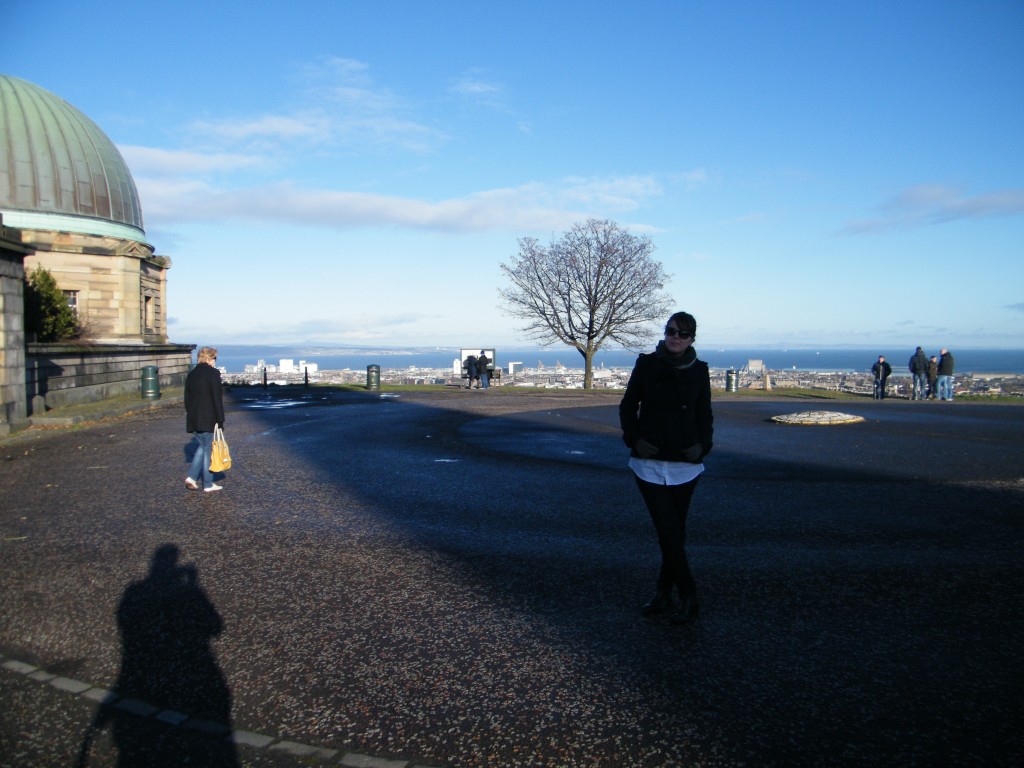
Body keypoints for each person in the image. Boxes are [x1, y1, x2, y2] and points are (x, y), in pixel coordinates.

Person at [619, 311, 713, 625]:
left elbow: (704, 414)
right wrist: (634, 438)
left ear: (692, 339)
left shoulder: (700, 370)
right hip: (649, 461)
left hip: (685, 462)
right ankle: (689, 595)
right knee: (668, 530)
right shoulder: (647, 363)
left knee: (674, 532)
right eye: (671, 330)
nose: (675, 336)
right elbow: (628, 405)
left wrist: (702, 446)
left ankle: (663, 593)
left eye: (683, 333)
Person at [184, 346, 225, 492]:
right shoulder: (213, 374)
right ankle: (205, 482)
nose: (215, 362)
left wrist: (190, 413)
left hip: (194, 417)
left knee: (203, 446)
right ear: (210, 358)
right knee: (207, 448)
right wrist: (220, 419)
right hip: (208, 416)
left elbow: (187, 399)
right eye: (215, 359)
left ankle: (195, 478)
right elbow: (216, 398)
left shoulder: (192, 374)